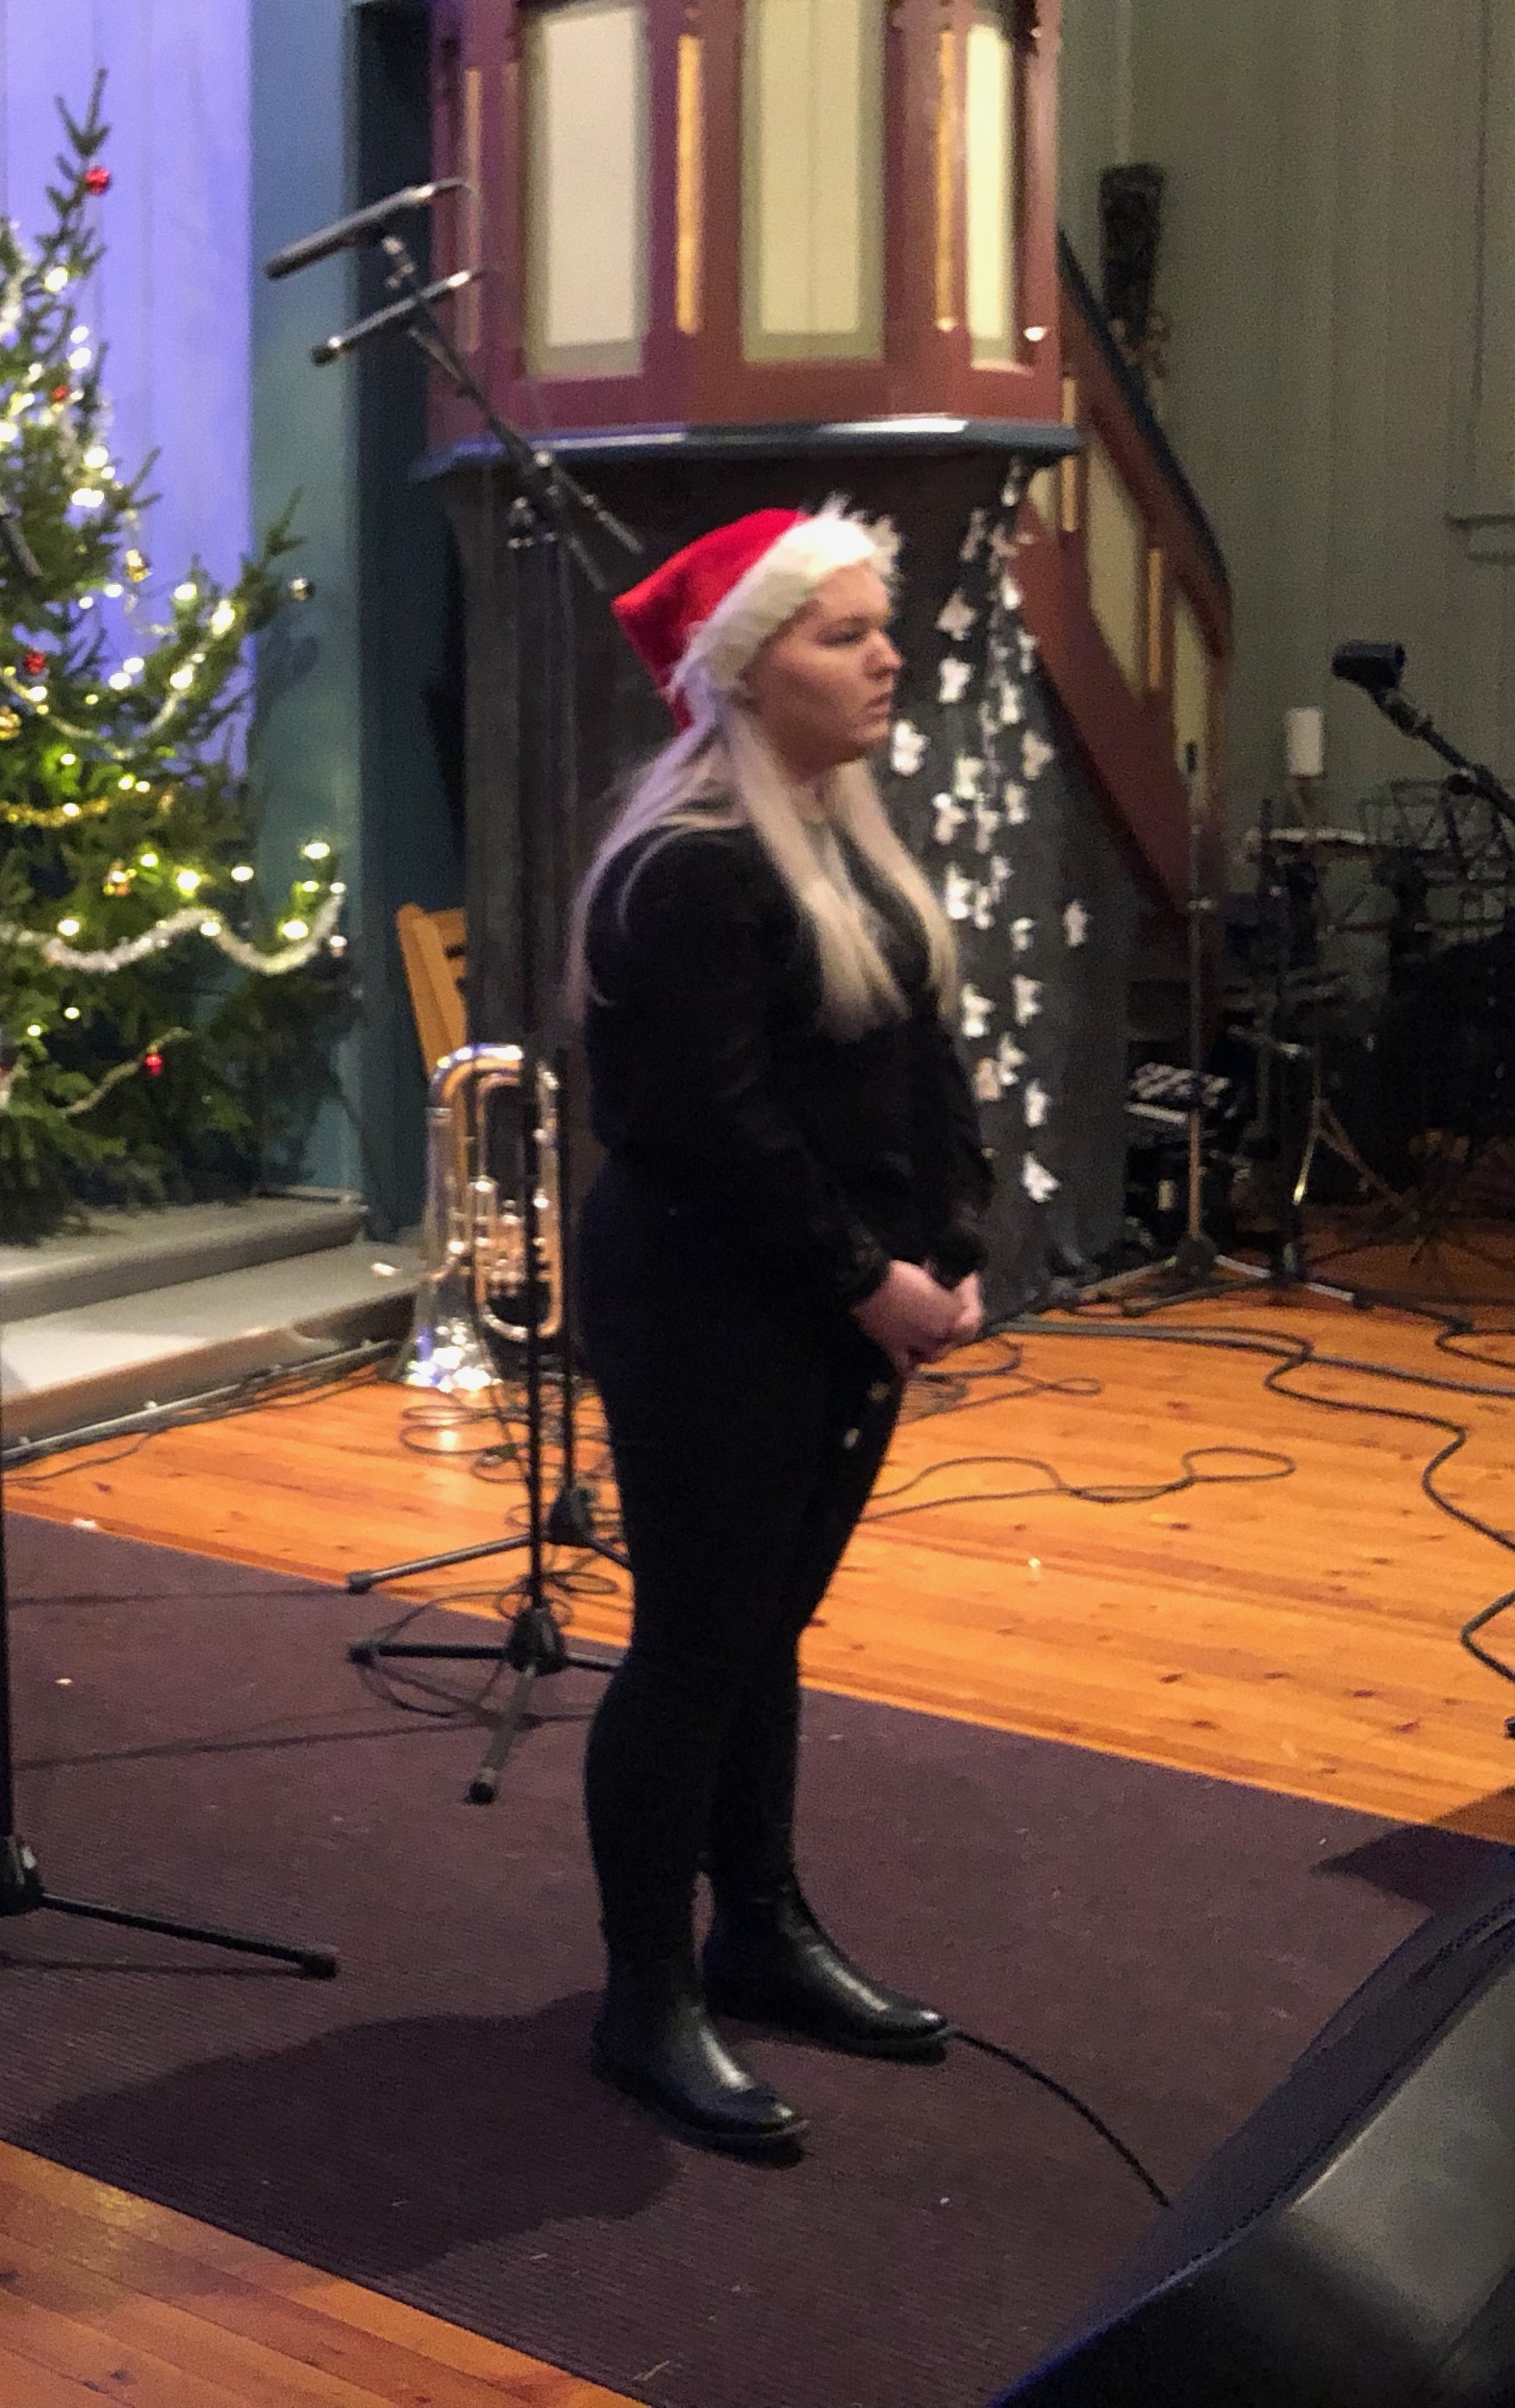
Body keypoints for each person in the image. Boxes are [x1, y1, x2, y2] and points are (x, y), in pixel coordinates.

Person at [568, 502, 990, 2154]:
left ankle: (759, 1924)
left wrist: (946, 1243)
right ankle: (641, 1988)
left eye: (883, 624)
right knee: (695, 1640)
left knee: (764, 1627)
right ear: (745, 669)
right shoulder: (686, 867)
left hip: (826, 1302)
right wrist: (859, 1276)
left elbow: (922, 1069)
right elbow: (711, 1129)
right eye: (843, 630)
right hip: (705, 1301)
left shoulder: (840, 841)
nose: (885, 653)